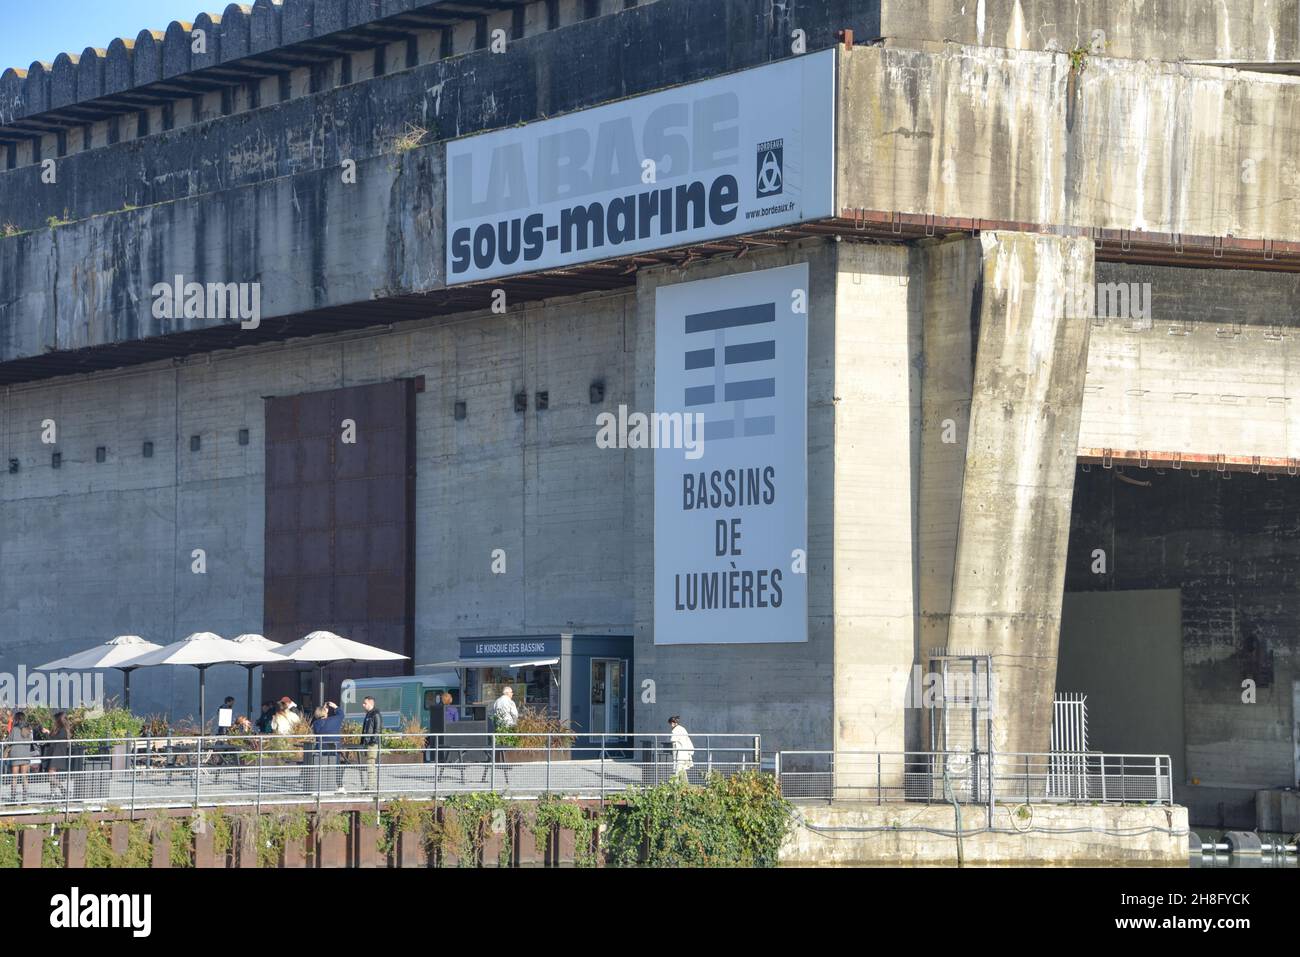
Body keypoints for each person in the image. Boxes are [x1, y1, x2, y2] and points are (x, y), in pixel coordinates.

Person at [312, 702, 345, 793]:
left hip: (321, 748)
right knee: (337, 766)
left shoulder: (316, 724)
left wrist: (324, 710)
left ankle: (319, 787)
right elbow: (341, 714)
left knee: (321, 767)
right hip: (334, 748)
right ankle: (340, 786)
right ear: (325, 712)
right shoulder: (334, 720)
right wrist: (334, 706)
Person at [4, 711, 36, 801]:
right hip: (25, 754)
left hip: (15, 754)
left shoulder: (14, 729)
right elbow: (31, 741)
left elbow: (9, 741)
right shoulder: (28, 729)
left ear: (16, 719)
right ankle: (24, 799)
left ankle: (13, 798)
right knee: (24, 777)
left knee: (14, 777)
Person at [43, 711, 72, 795]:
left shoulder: (62, 730)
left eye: (55, 719)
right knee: (52, 775)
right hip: (56, 754)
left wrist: (47, 733)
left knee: (50, 775)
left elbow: (52, 741)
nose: (54, 721)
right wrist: (48, 732)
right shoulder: (61, 729)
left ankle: (63, 790)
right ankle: (53, 794)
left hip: (57, 754)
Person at [359, 696, 382, 793]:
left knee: (370, 763)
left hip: (372, 743)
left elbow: (378, 729)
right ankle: (371, 785)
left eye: (365, 703)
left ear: (371, 703)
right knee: (369, 763)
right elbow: (365, 729)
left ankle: (371, 786)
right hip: (367, 742)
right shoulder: (368, 714)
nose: (363, 705)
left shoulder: (375, 714)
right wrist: (363, 741)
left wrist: (373, 740)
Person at [668, 715, 694, 782]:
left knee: (678, 769)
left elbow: (672, 739)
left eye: (671, 723)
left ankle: (676, 785)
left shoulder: (676, 730)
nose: (671, 725)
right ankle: (686, 785)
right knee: (682, 770)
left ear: (674, 723)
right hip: (685, 752)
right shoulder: (682, 729)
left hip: (680, 753)